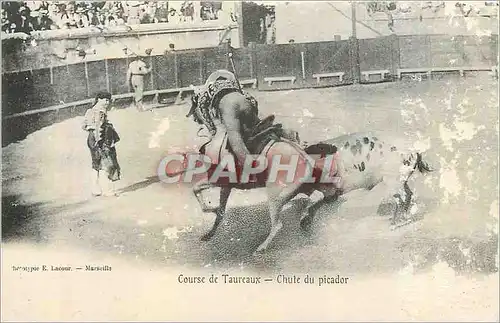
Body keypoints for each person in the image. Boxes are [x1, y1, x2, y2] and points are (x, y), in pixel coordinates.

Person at [82, 91, 121, 197]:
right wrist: (101, 143)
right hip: (99, 139)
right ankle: (107, 190)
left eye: (108, 100)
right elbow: (98, 129)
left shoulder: (89, 110)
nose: (107, 102)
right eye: (105, 100)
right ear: (99, 99)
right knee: (106, 164)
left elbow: (84, 125)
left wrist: (91, 132)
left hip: (91, 138)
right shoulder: (100, 112)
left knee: (95, 164)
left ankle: (95, 189)